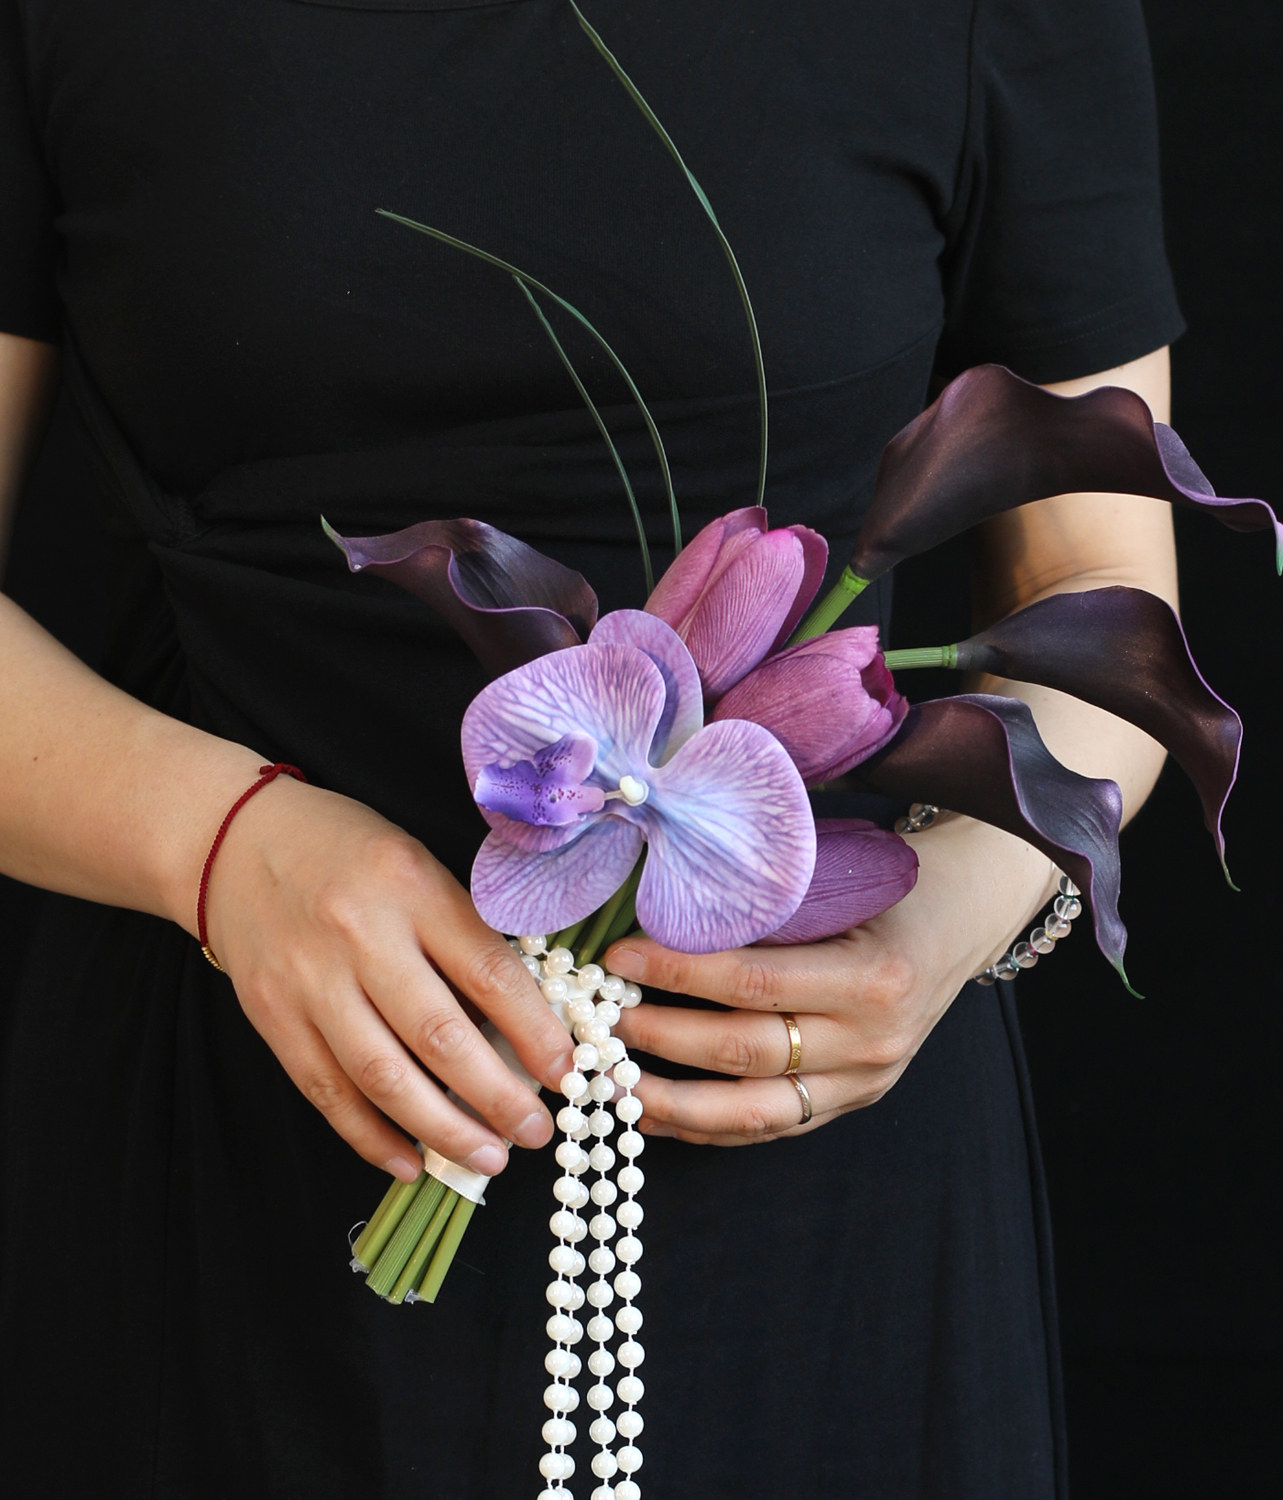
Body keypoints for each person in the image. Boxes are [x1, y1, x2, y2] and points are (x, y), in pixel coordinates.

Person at [0, 2, 1183, 1495]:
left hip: (815, 1170)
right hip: (231, 1152)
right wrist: (220, 844)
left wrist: (946, 916)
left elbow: (1106, 600)